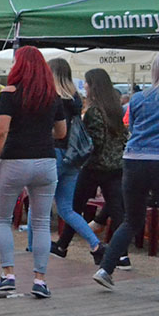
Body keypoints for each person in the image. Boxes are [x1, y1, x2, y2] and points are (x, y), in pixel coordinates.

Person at [0, 46, 66, 298]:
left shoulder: (10, 94)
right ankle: (40, 280)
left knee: (2, 219)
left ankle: (8, 274)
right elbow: (62, 133)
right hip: (45, 161)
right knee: (42, 223)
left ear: (18, 65)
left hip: (14, 160)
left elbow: (0, 132)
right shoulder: (53, 96)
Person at [94, 50, 159, 304]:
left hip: (134, 160)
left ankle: (106, 268)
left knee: (131, 220)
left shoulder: (137, 99)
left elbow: (134, 126)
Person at [55, 69, 128, 266]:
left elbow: (94, 142)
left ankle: (63, 246)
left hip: (94, 167)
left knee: (74, 207)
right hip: (115, 166)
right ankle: (122, 254)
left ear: (93, 85)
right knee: (116, 209)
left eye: (86, 83)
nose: (84, 86)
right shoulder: (115, 108)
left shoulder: (95, 111)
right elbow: (122, 137)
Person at [36, 59, 105, 262]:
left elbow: (53, 130)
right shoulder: (75, 99)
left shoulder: (51, 98)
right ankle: (95, 245)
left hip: (54, 153)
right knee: (67, 208)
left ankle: (34, 247)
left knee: (38, 205)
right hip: (73, 157)